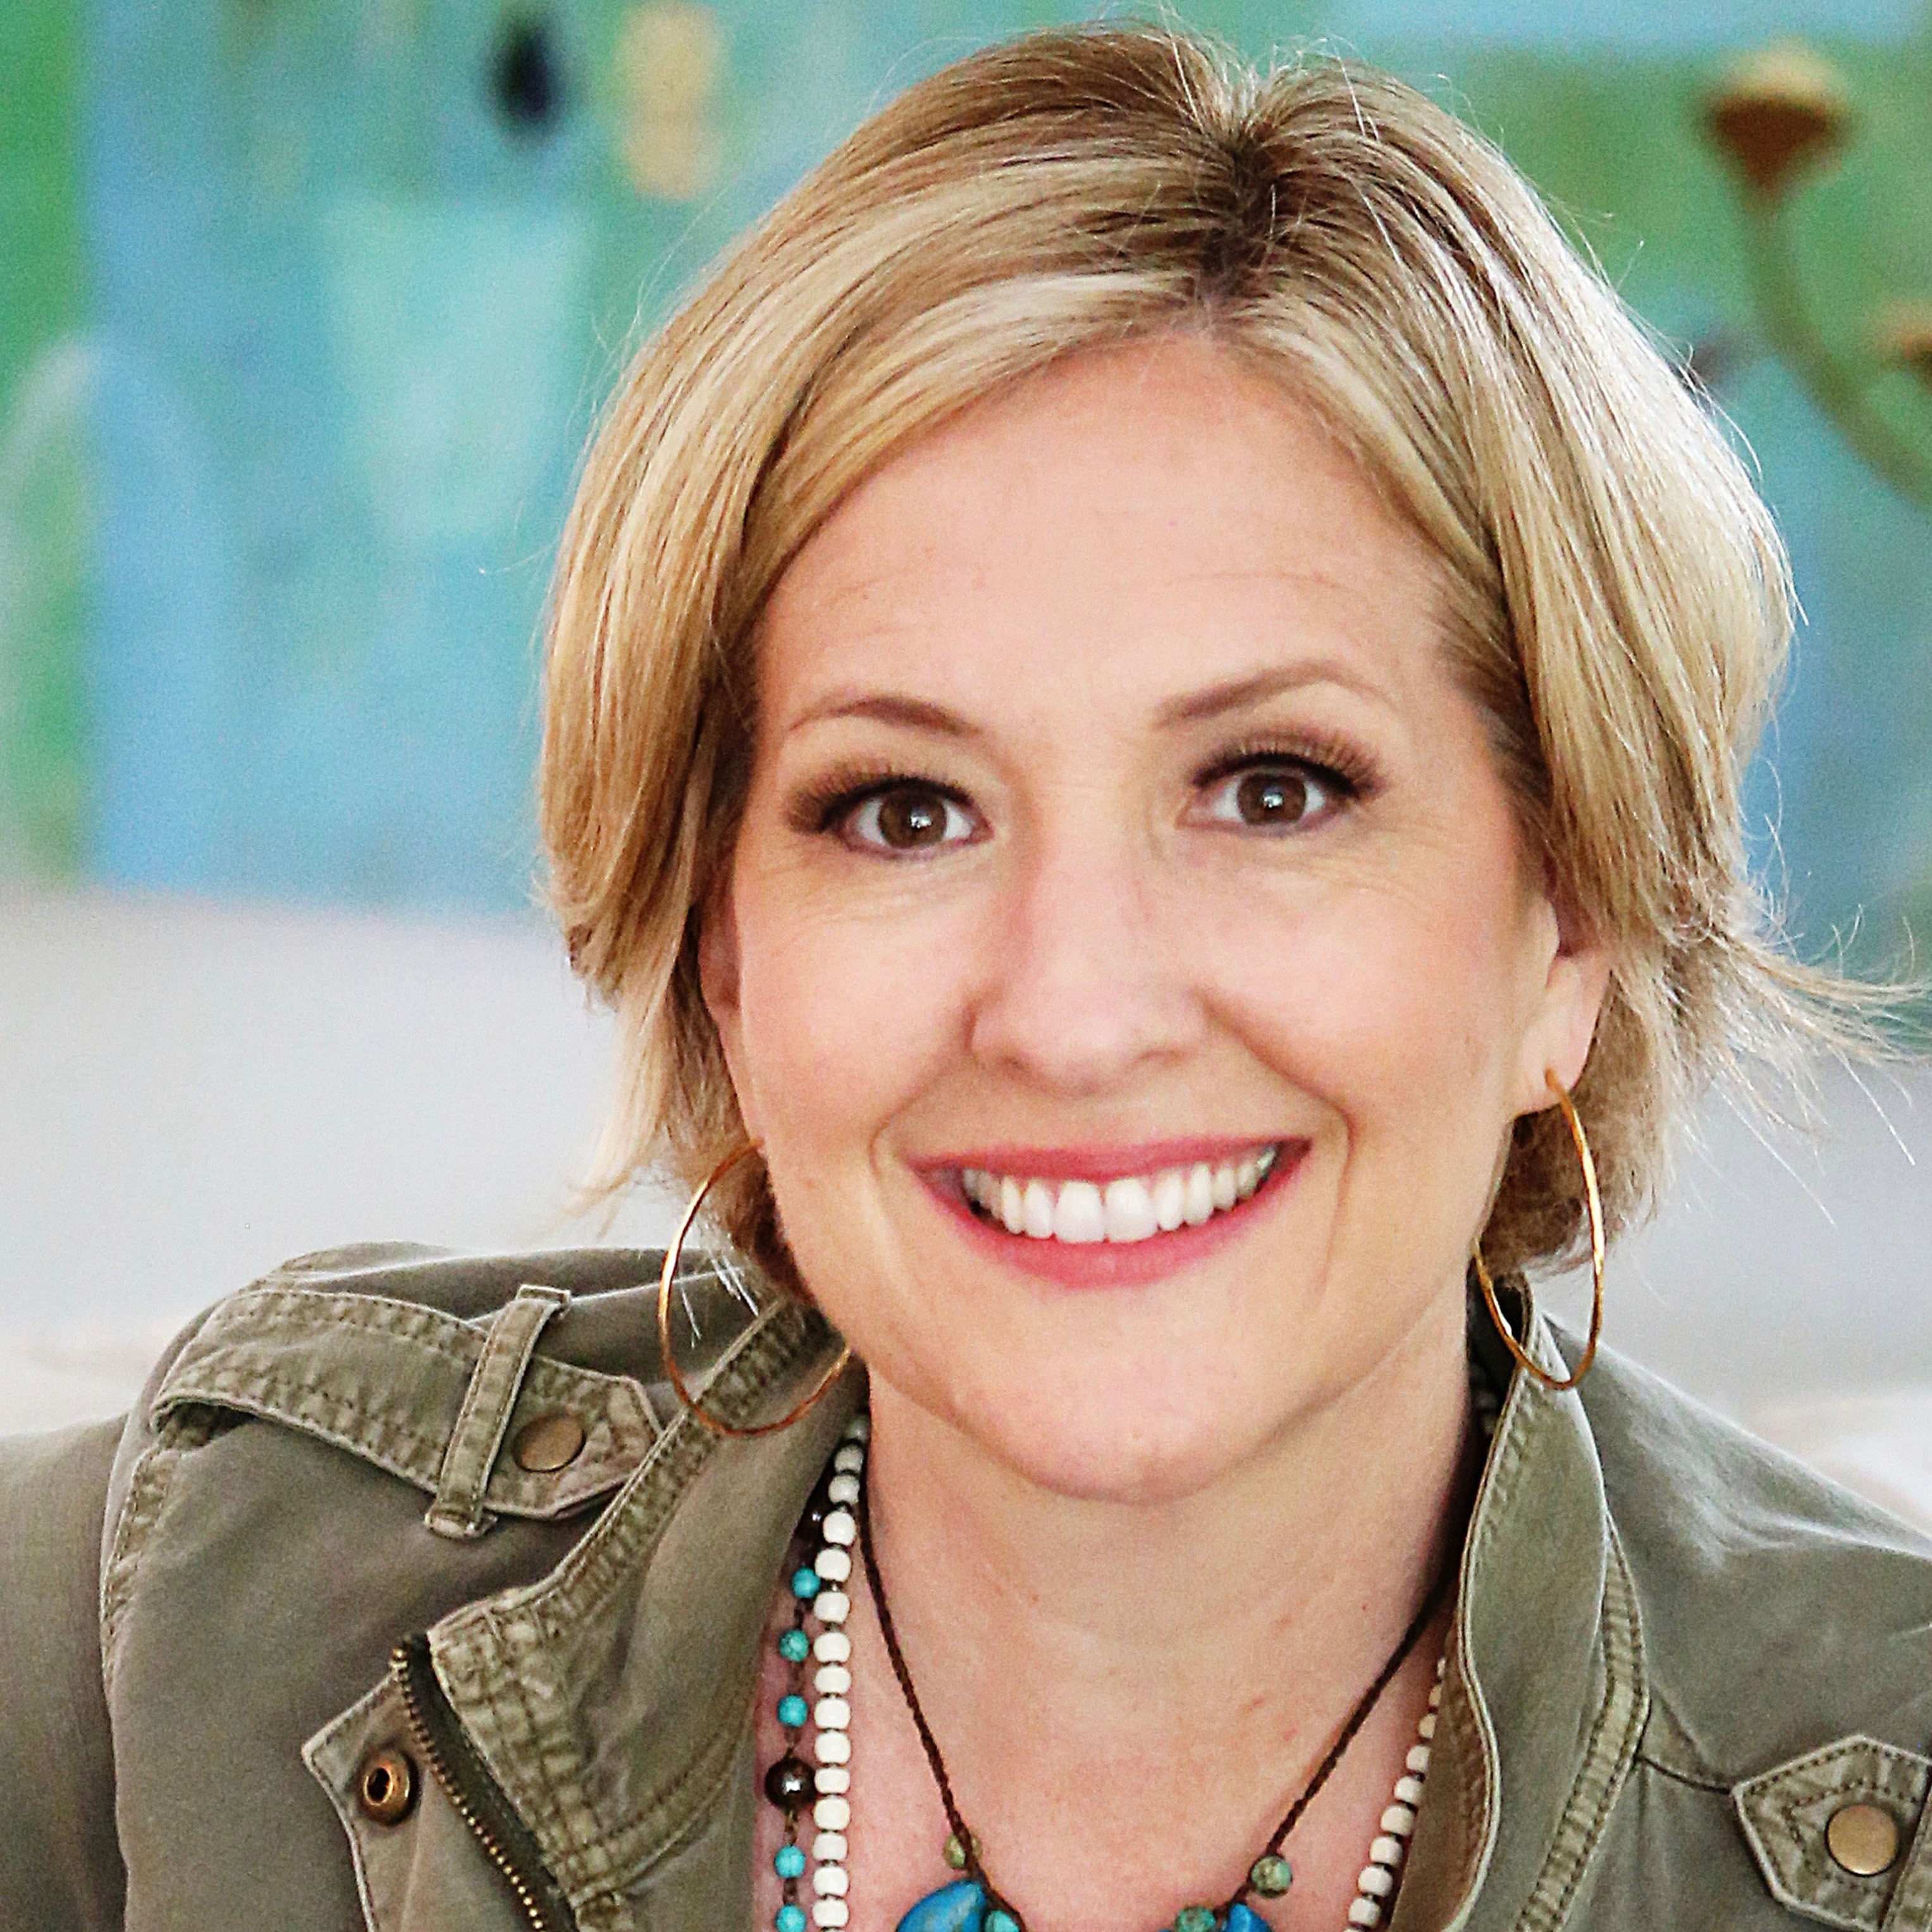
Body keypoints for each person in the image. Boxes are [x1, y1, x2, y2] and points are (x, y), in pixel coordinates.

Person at [4, 23, 1929, 1932]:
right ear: (724, 949)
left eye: (1271, 791)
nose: (1071, 1016)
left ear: (1570, 924)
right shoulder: (196, 1610)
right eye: (904, 811)